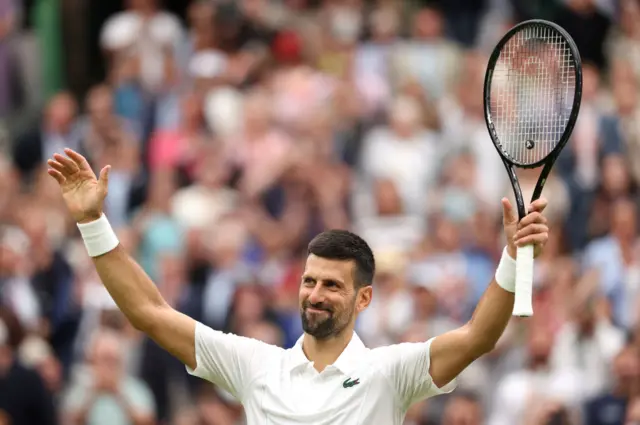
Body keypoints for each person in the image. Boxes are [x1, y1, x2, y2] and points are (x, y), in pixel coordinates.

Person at [46, 148, 550, 425]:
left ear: (363, 298)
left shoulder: (388, 373)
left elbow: (478, 336)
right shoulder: (255, 366)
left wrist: (511, 255)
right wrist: (93, 223)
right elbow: (149, 312)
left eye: (332, 284)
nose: (314, 293)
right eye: (309, 280)